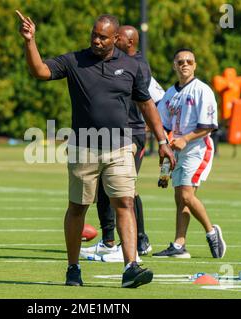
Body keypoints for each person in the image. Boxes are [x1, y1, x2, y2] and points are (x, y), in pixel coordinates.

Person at [16, 11, 175, 288]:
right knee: (78, 208)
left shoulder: (130, 66)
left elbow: (146, 105)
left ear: (115, 38)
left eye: (103, 37)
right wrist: (30, 41)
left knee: (124, 202)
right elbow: (39, 71)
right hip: (83, 148)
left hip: (121, 147)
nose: (97, 41)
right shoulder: (74, 61)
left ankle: (130, 267)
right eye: (94, 35)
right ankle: (73, 268)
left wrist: (162, 141)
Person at [80, 25, 165, 260]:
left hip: (132, 134)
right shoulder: (111, 62)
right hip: (109, 136)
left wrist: (161, 134)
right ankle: (109, 241)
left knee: (126, 190)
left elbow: (156, 99)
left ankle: (139, 242)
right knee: (104, 189)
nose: (113, 41)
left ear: (129, 42)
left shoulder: (137, 65)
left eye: (119, 38)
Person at [153, 48, 226, 259]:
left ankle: (212, 232)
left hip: (198, 149)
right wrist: (165, 162)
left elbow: (209, 126)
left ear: (194, 65)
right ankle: (179, 245)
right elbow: (164, 127)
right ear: (174, 66)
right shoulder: (170, 94)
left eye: (189, 61)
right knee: (180, 198)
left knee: (186, 195)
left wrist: (185, 138)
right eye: (180, 61)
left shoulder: (202, 90)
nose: (184, 64)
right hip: (177, 151)